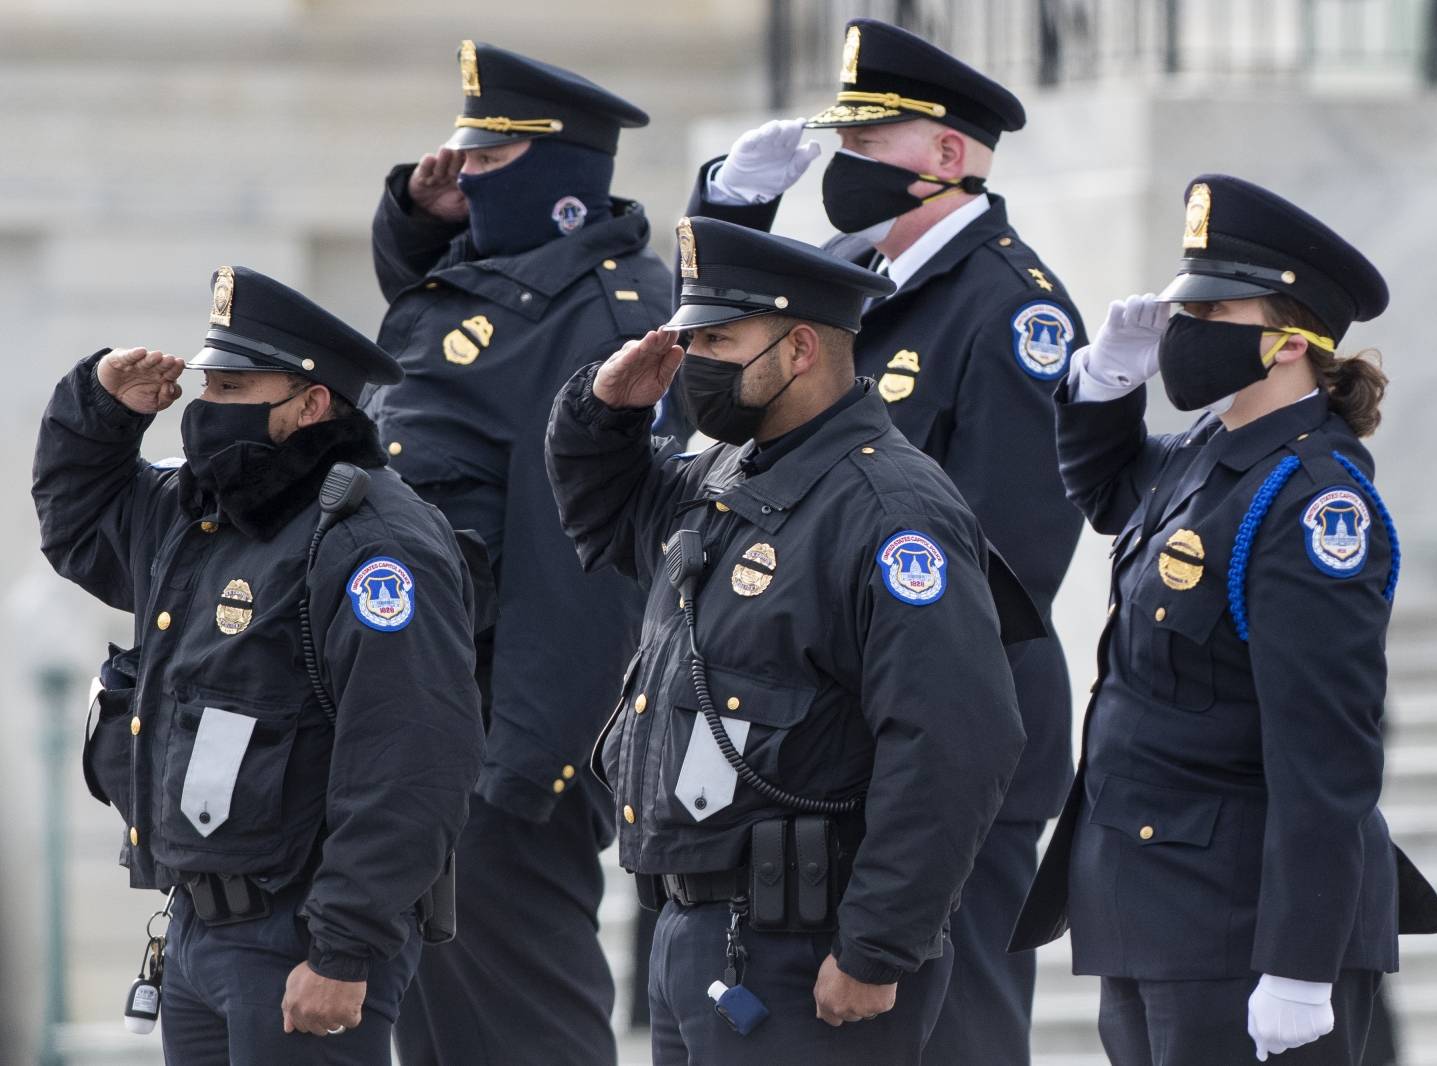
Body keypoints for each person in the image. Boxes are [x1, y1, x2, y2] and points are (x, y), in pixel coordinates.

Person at [682, 19, 1086, 1059]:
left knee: (964, 1033)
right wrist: (730, 202)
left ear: (946, 157)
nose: (843, 169)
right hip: (830, 747)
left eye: (868, 147)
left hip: (942, 745)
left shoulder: (1010, 310)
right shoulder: (849, 279)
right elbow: (721, 339)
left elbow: (1005, 556)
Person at [545, 215, 1031, 1064]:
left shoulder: (891, 511)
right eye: (689, 339)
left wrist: (877, 945)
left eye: (719, 340)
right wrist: (602, 411)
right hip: (701, 934)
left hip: (805, 945)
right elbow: (607, 512)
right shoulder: (727, 475)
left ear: (800, 349)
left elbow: (955, 739)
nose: (695, 363)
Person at [1009, 175, 1437, 1064]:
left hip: (1237, 923)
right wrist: (1102, 382)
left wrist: (1299, 966)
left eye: (1211, 319)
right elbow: (1106, 492)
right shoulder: (1212, 456)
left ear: (1289, 343)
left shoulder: (1314, 503)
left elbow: (1325, 754)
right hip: (1153, 905)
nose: (1183, 336)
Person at [32, 265, 485, 1065]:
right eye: (210, 384)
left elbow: (410, 755)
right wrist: (101, 406)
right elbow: (80, 526)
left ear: (311, 404)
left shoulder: (371, 540)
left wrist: (343, 949)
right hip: (201, 929)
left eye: (236, 388)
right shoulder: (203, 509)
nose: (207, 409)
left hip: (301, 938)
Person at [360, 39, 674, 1064]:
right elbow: (439, 331)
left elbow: (586, 566)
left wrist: (527, 769)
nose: (466, 184)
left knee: (523, 1028)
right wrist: (416, 213)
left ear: (559, 182)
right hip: (427, 739)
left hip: (504, 753)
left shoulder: (603, 318)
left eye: (489, 166)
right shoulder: (496, 288)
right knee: (440, 1032)